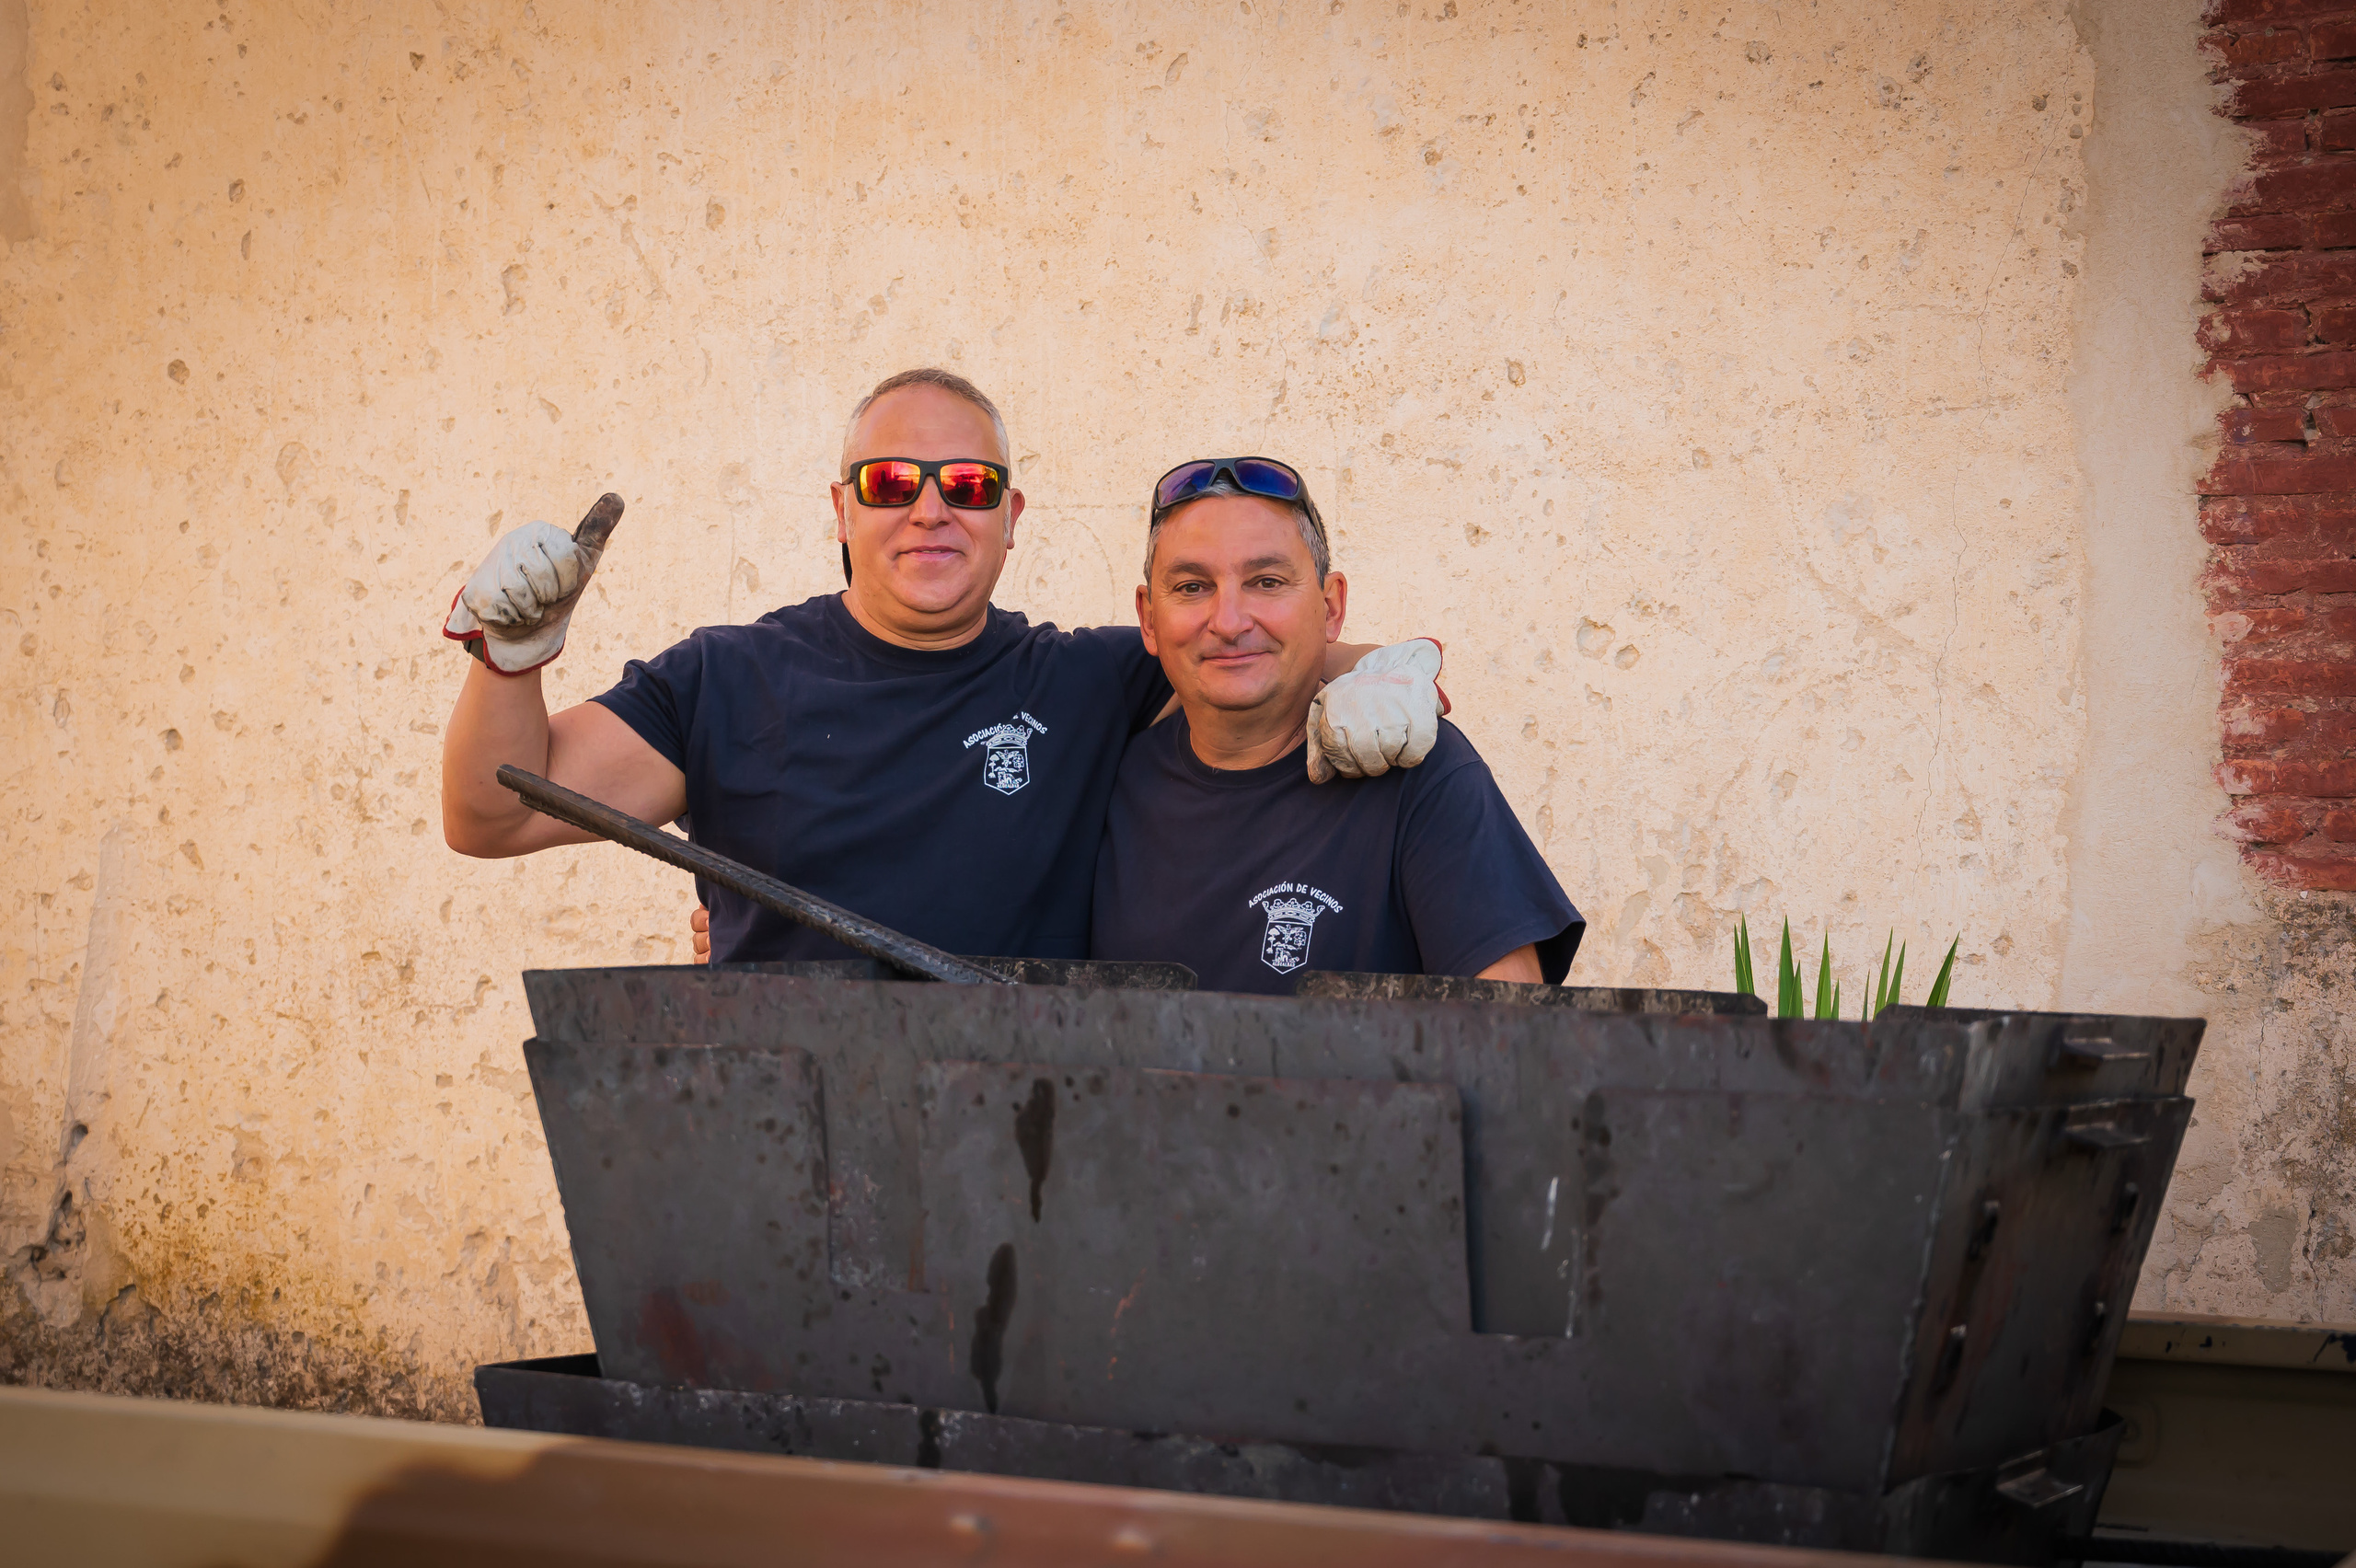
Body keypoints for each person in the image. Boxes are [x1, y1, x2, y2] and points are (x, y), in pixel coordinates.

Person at [440, 368, 1451, 965]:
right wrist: (507, 664)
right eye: (890, 482)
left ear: (1010, 520)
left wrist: (1387, 667)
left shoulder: (1090, 683)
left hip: (1019, 1178)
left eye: (968, 484)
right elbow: (492, 816)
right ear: (841, 509)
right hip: (778, 1154)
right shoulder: (724, 681)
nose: (931, 509)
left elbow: (1245, 651)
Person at [1088, 457, 1583, 994]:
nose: (1228, 622)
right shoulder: (1103, 780)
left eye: (1267, 581)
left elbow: (1513, 1037)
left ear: (1330, 608)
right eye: (1190, 587)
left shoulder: (1417, 770)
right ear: (1148, 618)